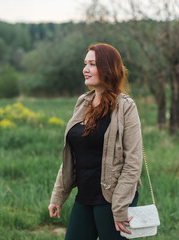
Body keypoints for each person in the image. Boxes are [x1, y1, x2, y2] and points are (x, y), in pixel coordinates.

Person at [48, 43, 143, 240]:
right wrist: (58, 196)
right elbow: (72, 156)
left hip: (113, 200)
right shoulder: (83, 102)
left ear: (108, 69)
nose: (85, 69)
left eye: (92, 64)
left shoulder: (125, 107)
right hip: (84, 197)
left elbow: (133, 162)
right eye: (85, 63)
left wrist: (119, 207)